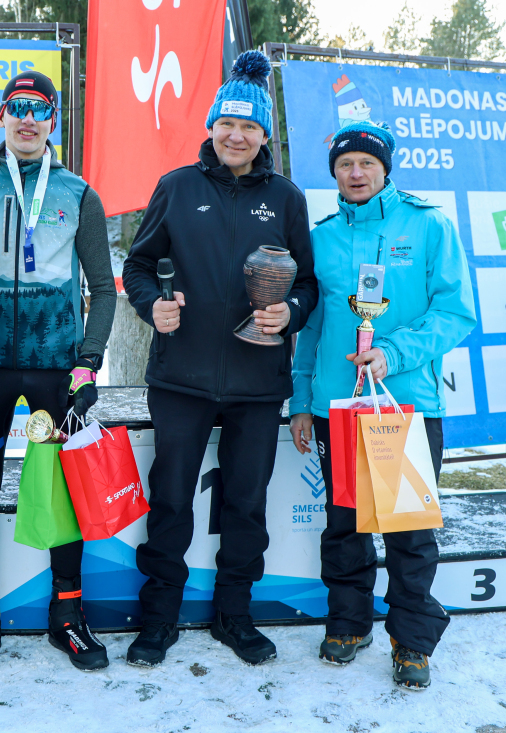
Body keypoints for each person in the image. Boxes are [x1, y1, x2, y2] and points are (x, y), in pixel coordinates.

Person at [121, 50, 318, 668]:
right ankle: (158, 617)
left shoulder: (286, 198)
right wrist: (152, 305)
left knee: (246, 502)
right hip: (180, 378)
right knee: (171, 499)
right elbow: (137, 265)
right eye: (227, 124)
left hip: (258, 382)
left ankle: (236, 614)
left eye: (250, 126)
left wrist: (291, 313)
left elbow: (308, 284)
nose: (237, 135)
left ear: (264, 135)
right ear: (211, 127)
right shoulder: (177, 187)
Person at [288, 120, 475, 690]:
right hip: (336, 408)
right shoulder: (320, 238)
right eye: (345, 164)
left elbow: (455, 312)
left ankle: (411, 638)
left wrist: (391, 354)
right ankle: (348, 623)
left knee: (407, 530)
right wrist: (301, 400)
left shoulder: (429, 224)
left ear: (385, 168)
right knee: (344, 523)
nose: (356, 172)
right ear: (334, 174)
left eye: (367, 163)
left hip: (404, 406)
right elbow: (311, 328)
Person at [0, 70, 117, 681]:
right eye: (16, 107)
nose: (26, 118)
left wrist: (88, 361)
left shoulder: (78, 193)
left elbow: (104, 287)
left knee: (63, 490)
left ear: (52, 122)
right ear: (1, 117)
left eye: (38, 109)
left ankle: (67, 612)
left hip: (54, 369)